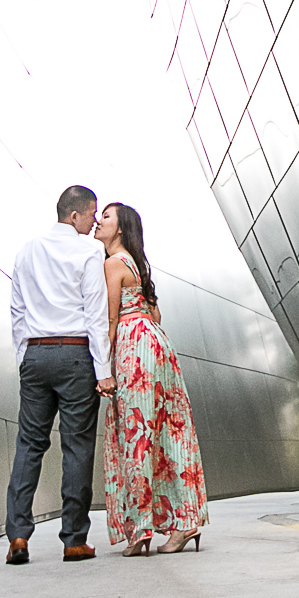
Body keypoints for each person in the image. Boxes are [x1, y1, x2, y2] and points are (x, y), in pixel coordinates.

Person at [4, 185, 115, 565]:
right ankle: (73, 540)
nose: (94, 222)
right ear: (74, 216)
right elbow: (95, 314)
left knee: (29, 446)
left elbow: (17, 310)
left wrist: (25, 355)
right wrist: (104, 370)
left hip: (35, 355)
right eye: (92, 214)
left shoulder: (27, 250)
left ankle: (17, 537)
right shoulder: (88, 251)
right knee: (77, 447)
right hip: (74, 354)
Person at [96, 202, 207, 556]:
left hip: (133, 347)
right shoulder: (139, 266)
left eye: (107, 217)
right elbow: (155, 312)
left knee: (136, 433)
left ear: (121, 230)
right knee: (171, 431)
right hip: (157, 344)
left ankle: (141, 528)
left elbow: (110, 320)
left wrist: (105, 368)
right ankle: (187, 519)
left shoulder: (113, 264)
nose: (100, 221)